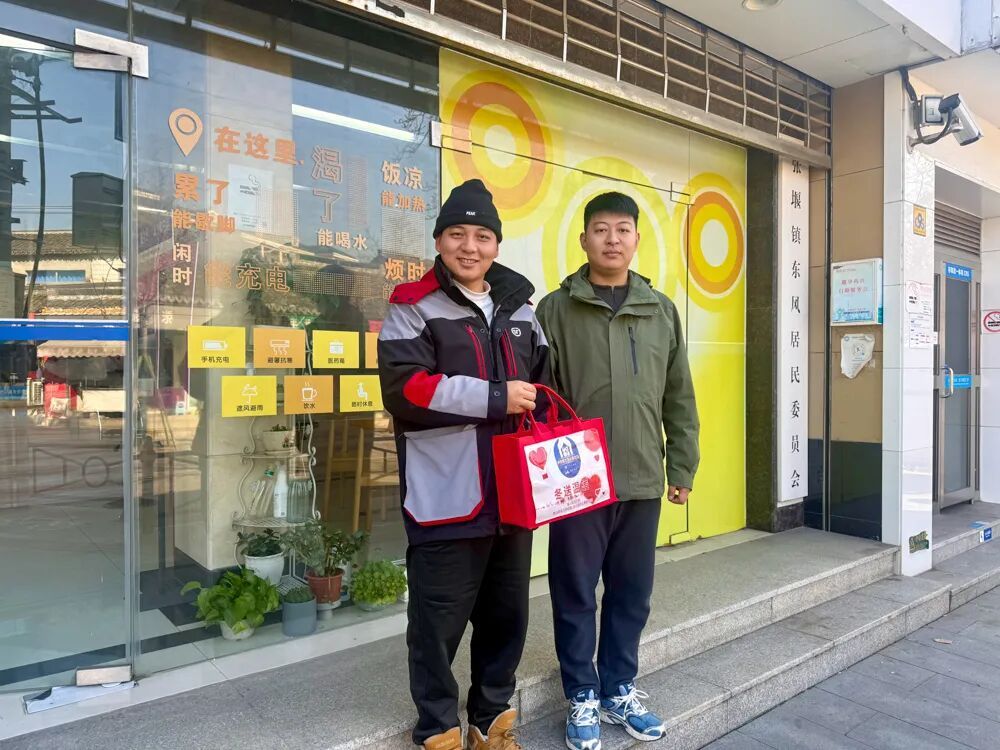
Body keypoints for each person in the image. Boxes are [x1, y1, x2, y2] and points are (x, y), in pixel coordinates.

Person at [378, 179, 550, 750]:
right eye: (457, 234)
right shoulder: (412, 306)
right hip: (447, 495)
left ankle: (491, 721)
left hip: (514, 496)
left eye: (482, 236)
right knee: (437, 623)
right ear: (439, 240)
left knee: (506, 618)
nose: (469, 246)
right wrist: (495, 397)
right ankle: (438, 729)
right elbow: (406, 390)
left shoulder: (522, 309)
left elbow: (544, 386)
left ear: (496, 245)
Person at [536, 191, 699, 749]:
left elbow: (679, 394)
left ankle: (619, 688)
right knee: (575, 590)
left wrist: (682, 464)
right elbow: (541, 398)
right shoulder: (555, 310)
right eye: (601, 229)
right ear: (583, 239)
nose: (612, 239)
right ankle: (581, 692)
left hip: (641, 474)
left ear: (636, 239)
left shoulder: (660, 310)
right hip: (576, 481)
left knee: (632, 592)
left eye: (622, 229)